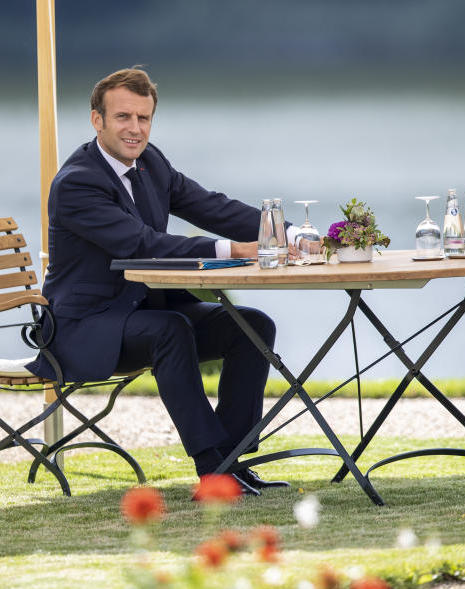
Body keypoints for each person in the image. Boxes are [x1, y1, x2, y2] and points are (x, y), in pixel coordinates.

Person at [27, 67, 290, 496]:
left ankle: (232, 459)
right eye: (123, 117)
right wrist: (232, 251)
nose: (135, 129)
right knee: (171, 330)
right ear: (98, 120)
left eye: (143, 118)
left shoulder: (151, 162)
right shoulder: (77, 183)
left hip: (144, 311)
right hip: (84, 328)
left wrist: (286, 233)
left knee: (253, 325)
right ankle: (212, 470)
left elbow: (212, 207)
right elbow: (141, 243)